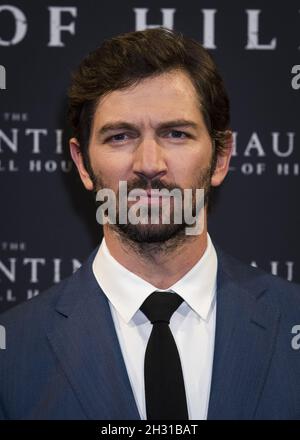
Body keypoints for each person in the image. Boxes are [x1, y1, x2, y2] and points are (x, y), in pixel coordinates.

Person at [1, 27, 300, 421]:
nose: (148, 164)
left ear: (222, 156)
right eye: (120, 136)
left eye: (176, 134)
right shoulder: (12, 353)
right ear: (82, 164)